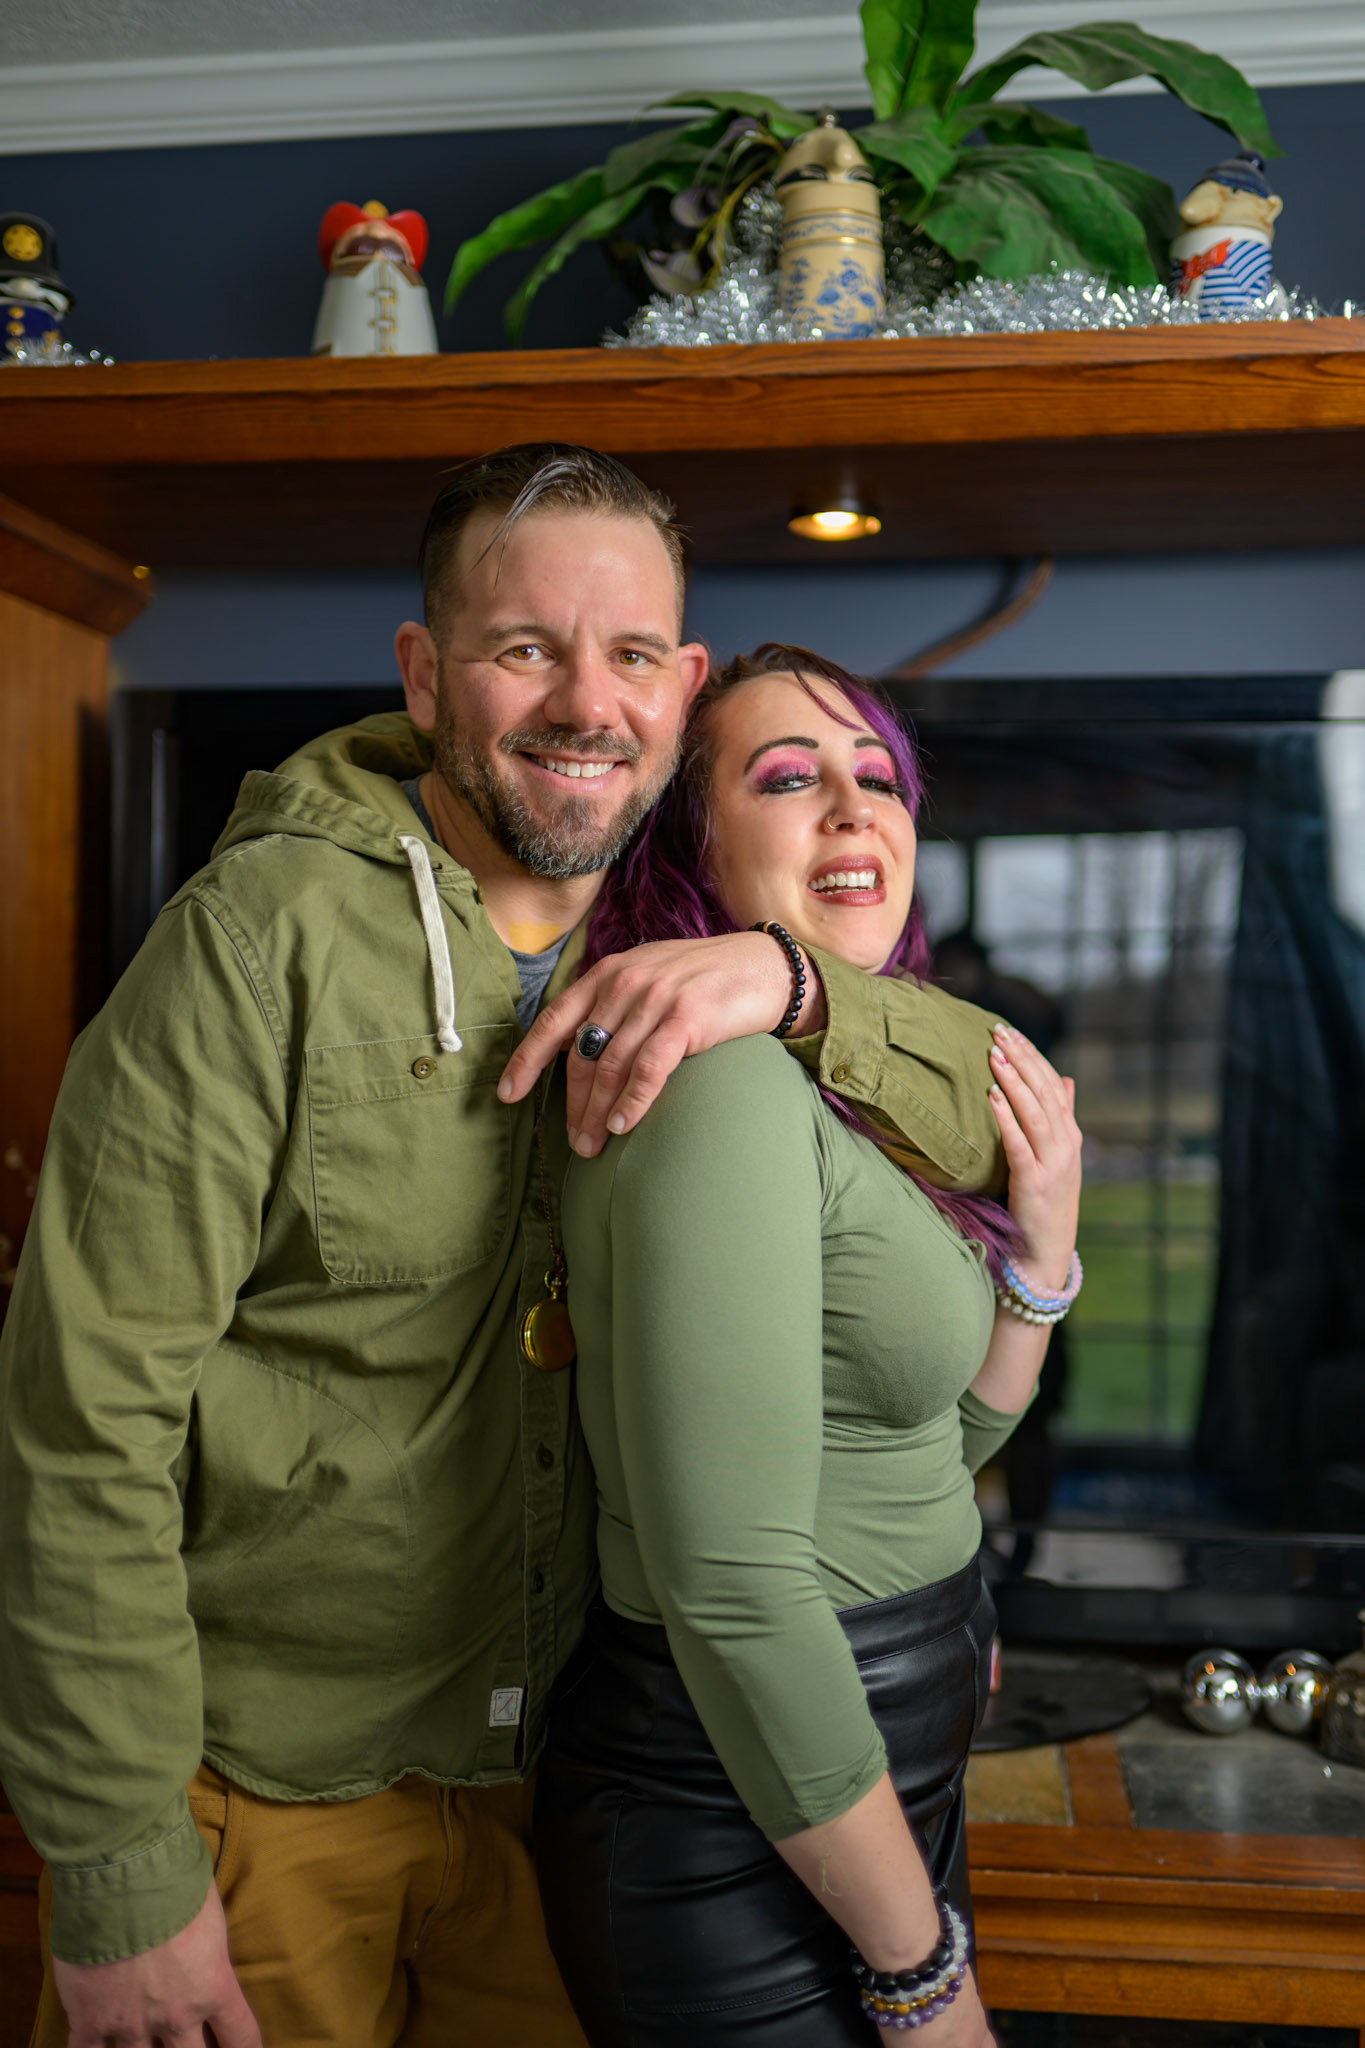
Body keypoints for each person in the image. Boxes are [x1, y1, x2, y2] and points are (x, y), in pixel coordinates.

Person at [0, 449, 1011, 2048]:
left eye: (631, 656)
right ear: (425, 673)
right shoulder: (254, 944)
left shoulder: (680, 929)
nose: (585, 705)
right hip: (262, 1790)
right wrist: (120, 1867)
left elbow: (997, 1106)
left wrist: (794, 984)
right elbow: (80, 1422)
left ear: (682, 690)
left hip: (550, 1790)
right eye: (525, 648)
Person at [536, 645, 1083, 2045]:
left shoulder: (838, 1078)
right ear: (693, 840)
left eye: (877, 778)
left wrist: (1038, 1262)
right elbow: (730, 1588)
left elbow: (925, 1443)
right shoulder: (719, 1087)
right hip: (737, 1820)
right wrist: (923, 1979)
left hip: (863, 1803)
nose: (852, 809)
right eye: (788, 779)